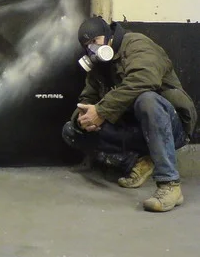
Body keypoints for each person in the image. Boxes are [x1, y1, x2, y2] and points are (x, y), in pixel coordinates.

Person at [62, 17, 197, 212]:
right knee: (71, 130)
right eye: (87, 45)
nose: (92, 48)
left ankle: (170, 185)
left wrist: (101, 111)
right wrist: (83, 119)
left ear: (108, 36)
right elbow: (87, 98)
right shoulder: (98, 66)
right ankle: (139, 162)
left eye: (95, 41)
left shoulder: (137, 45)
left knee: (147, 100)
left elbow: (144, 80)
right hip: (136, 129)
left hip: (172, 126)